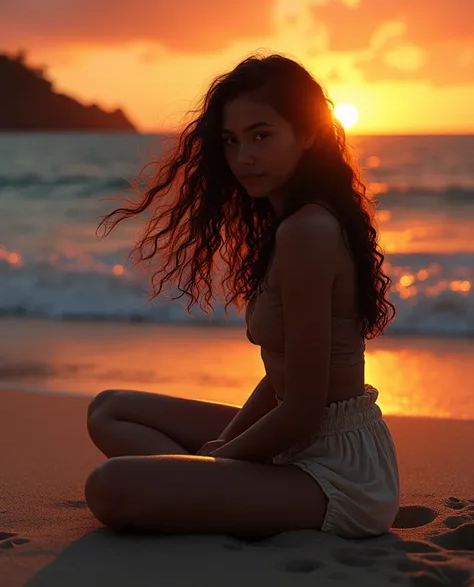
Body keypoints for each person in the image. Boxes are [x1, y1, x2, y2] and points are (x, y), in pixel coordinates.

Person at [85, 53, 400, 539]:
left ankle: (206, 486)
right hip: (298, 439)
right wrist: (223, 446)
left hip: (338, 471)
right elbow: (282, 377)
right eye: (231, 141)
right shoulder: (286, 226)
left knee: (109, 487)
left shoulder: (308, 231)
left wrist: (219, 458)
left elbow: (303, 410)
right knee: (109, 408)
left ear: (309, 134)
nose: (243, 158)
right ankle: (208, 486)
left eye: (262, 135)